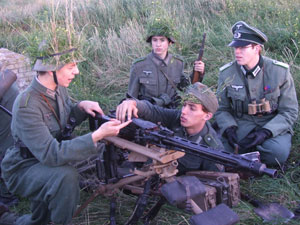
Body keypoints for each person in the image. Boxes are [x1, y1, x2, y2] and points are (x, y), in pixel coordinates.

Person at [0, 37, 131, 224]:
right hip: (23, 167)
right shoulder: (26, 105)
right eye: (71, 66)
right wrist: (97, 135)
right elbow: (51, 154)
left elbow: (62, 121)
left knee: (40, 221)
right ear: (52, 69)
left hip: (42, 162)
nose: (76, 72)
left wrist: (80, 108)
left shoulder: (58, 88)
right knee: (66, 177)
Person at [215, 21, 298, 166]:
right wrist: (229, 127)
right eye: (235, 47)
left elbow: (289, 111)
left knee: (276, 154)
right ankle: (247, 154)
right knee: (219, 150)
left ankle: (255, 153)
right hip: (241, 124)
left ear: (257, 48)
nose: (237, 52)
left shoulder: (279, 72)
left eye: (242, 47)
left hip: (272, 124)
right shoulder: (227, 73)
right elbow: (222, 108)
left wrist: (266, 132)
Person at [118, 82, 224, 174]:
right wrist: (134, 103)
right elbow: (152, 111)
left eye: (192, 108)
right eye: (184, 105)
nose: (183, 111)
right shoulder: (177, 117)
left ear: (207, 116)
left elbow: (215, 181)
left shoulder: (212, 148)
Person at [127, 16, 205, 108]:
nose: (158, 44)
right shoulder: (139, 66)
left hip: (171, 111)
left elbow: (187, 87)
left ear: (169, 42)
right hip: (148, 112)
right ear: (151, 42)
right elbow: (131, 98)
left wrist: (199, 72)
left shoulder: (177, 63)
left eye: (162, 40)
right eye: (155, 40)